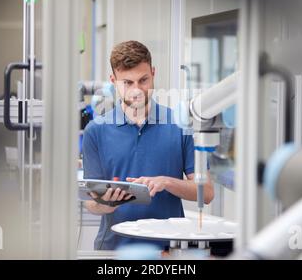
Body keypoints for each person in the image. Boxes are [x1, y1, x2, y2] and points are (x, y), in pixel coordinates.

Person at [82, 40, 214, 250]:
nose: (137, 90)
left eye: (143, 80)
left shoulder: (180, 125)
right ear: (113, 81)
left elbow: (206, 192)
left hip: (169, 252)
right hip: (115, 252)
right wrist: (106, 203)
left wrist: (166, 182)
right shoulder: (95, 131)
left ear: (153, 73)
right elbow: (91, 204)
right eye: (127, 82)